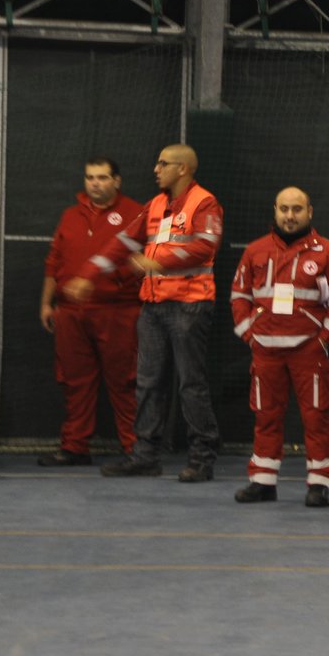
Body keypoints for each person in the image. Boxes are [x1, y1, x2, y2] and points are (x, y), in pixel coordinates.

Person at [65, 144, 223, 482]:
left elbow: (205, 246)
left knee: (190, 385)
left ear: (183, 169)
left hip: (190, 305)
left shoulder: (204, 202)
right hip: (152, 306)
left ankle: (202, 458)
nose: (156, 169)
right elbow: (123, 242)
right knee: (148, 383)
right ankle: (145, 456)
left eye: (163, 164)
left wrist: (158, 261)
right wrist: (88, 277)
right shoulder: (155, 205)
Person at [230, 187, 329, 505]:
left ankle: (319, 482)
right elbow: (239, 295)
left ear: (310, 211)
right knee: (265, 415)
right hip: (265, 349)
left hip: (307, 350)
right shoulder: (255, 251)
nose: (289, 215)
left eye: (296, 209)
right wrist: (249, 335)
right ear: (275, 210)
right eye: (283, 208)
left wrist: (324, 340)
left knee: (316, 416)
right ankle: (263, 481)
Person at [37, 156, 142, 466]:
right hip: (70, 314)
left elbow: (147, 260)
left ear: (116, 181)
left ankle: (135, 449)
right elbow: (53, 262)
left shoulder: (136, 214)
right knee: (74, 381)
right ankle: (75, 447)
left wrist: (121, 279)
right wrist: (47, 302)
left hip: (118, 312)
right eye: (90, 177)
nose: (95, 183)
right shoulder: (70, 215)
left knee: (125, 381)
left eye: (102, 177)